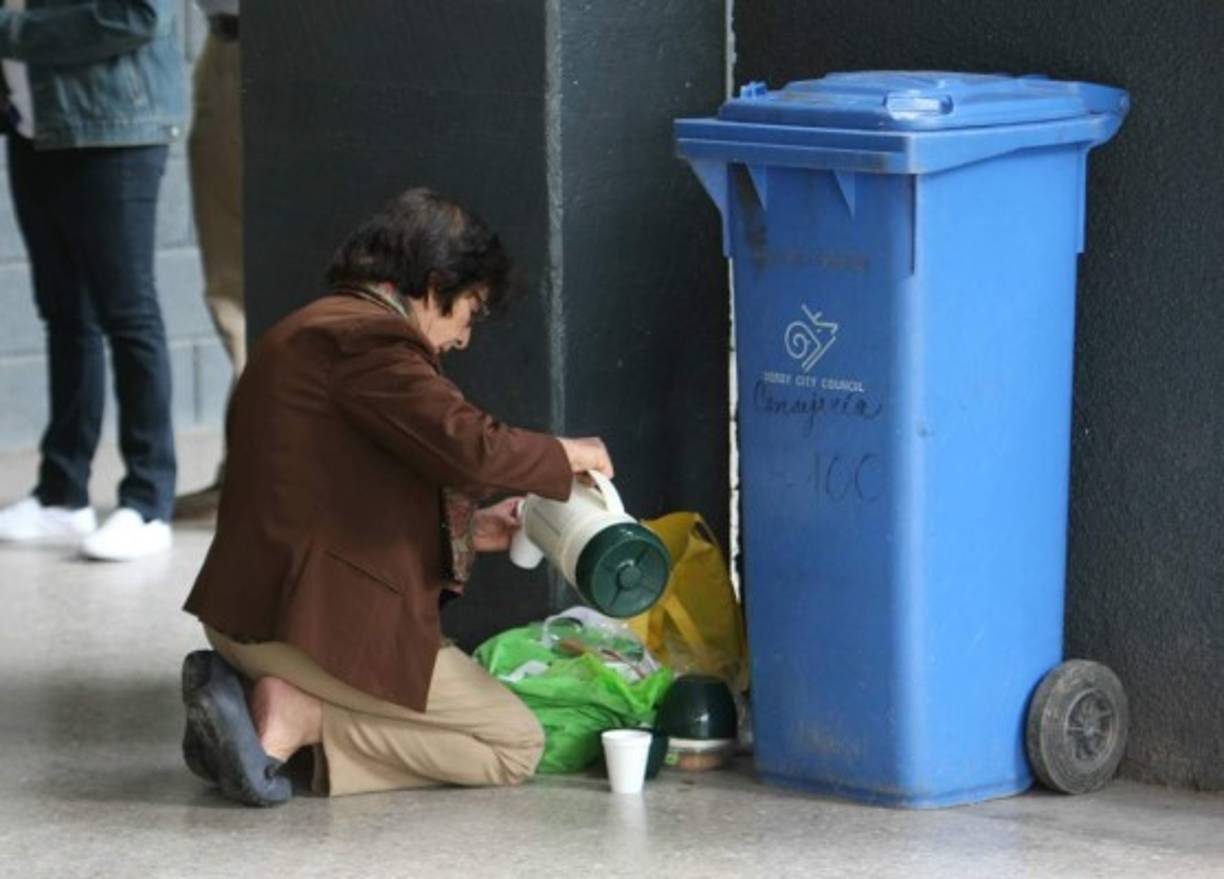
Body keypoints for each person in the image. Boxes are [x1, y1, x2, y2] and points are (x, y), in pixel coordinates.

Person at [180, 188, 614, 806]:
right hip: (300, 630)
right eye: (470, 310)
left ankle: (272, 704)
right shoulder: (371, 346)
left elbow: (339, 493)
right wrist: (570, 455)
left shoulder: (313, 331)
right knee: (512, 744)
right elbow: (471, 448)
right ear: (436, 284)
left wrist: (470, 530)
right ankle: (299, 719)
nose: (464, 337)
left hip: (251, 612)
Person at [0, 0, 187, 560]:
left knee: (128, 313)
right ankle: (62, 496)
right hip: (36, 130)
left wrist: (12, 32)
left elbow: (138, 15)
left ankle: (149, 502)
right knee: (65, 314)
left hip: (114, 133)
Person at [174, 0, 243, 520]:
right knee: (228, 282)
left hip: (285, 45)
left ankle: (258, 475)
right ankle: (244, 471)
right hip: (223, 46)